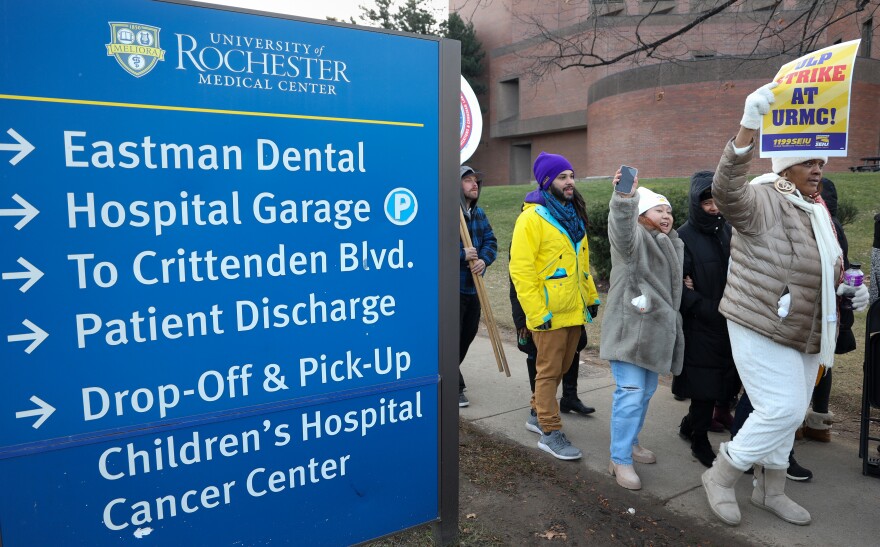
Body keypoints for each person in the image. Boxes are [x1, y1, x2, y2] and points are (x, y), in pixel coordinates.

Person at [701, 82, 869, 527]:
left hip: (807, 324)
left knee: (786, 412)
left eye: (819, 161)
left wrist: (847, 289)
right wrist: (747, 126)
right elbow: (727, 191)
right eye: (808, 162)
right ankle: (721, 475)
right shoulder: (763, 196)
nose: (818, 170)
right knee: (784, 409)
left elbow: (824, 266)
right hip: (759, 319)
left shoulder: (816, 209)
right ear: (786, 167)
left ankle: (769, 490)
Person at [509, 152, 600, 460]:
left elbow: (581, 265)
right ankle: (549, 431)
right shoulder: (531, 218)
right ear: (548, 181)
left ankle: (536, 412)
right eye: (563, 177)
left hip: (573, 310)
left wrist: (591, 298)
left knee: (562, 367)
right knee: (548, 372)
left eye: (572, 175)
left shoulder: (573, 216)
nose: (570, 181)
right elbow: (521, 270)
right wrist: (537, 314)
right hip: (548, 313)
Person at [600, 181, 685, 490]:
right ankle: (619, 459)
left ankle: (631, 441)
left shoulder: (671, 243)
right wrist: (624, 199)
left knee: (645, 393)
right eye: (658, 209)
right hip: (629, 333)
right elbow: (621, 228)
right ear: (641, 213)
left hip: (654, 336)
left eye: (669, 210)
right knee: (632, 393)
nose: (666, 215)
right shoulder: (633, 240)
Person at [673, 170, 739, 468]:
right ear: (695, 203)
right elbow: (678, 288)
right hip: (702, 323)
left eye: (717, 201)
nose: (713, 207)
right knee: (703, 386)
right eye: (707, 202)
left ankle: (689, 426)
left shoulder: (727, 231)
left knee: (722, 381)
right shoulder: (683, 237)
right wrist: (705, 306)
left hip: (730, 321)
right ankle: (699, 439)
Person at [458, 165, 497, 408]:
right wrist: (460, 253)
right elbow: (431, 249)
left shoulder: (479, 214)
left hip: (475, 288)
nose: (475, 185)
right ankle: (454, 384)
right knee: (452, 338)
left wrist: (484, 259)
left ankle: (450, 372)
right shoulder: (446, 214)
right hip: (452, 290)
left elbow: (491, 241)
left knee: (468, 335)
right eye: (468, 180)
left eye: (476, 181)